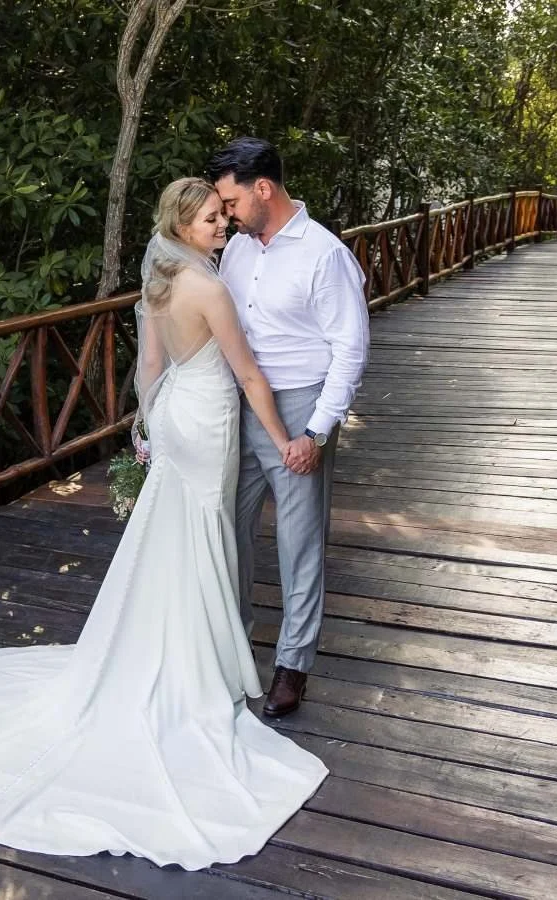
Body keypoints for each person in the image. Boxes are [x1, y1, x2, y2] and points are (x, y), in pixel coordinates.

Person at [0, 177, 328, 871]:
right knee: (200, 535)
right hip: (207, 421)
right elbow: (250, 375)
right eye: (209, 220)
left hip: (172, 420)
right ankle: (195, 669)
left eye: (221, 217)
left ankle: (192, 653)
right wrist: (286, 437)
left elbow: (149, 366)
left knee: (177, 537)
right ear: (181, 224)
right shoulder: (209, 290)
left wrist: (145, 426)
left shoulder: (162, 283)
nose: (221, 227)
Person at [207, 138, 369, 718]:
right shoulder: (238, 251)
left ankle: (292, 666)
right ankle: (233, 645)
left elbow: (350, 350)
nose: (225, 213)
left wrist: (318, 432)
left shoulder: (324, 255)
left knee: (299, 546)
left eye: (230, 201)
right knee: (226, 530)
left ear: (263, 189)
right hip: (239, 407)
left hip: (300, 411)